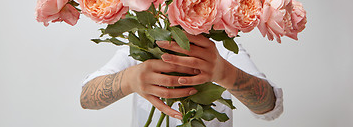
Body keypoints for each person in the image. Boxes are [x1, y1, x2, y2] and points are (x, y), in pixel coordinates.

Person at [80, 33, 283, 126]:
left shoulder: (221, 52)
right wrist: (129, 79)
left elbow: (269, 107)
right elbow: (87, 98)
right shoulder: (139, 49)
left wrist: (225, 73)